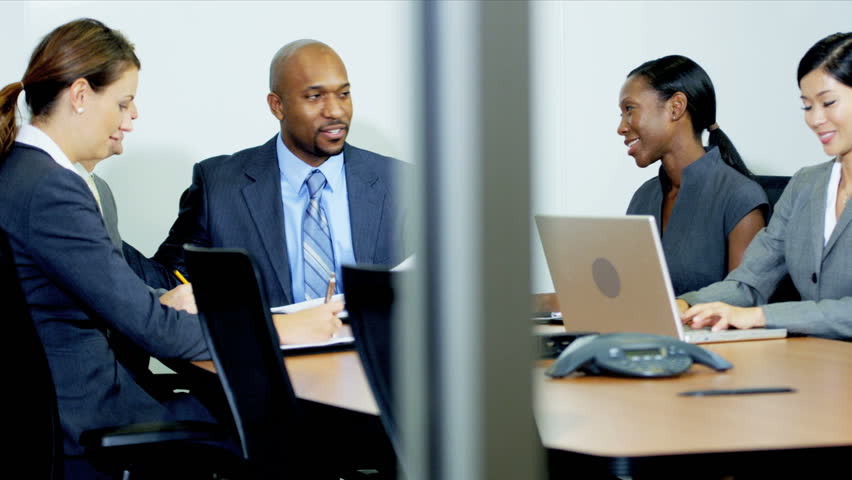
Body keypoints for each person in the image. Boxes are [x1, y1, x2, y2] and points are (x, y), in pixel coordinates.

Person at [0, 19, 342, 474]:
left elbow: (98, 287)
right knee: (280, 431)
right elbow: (151, 329)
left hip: (74, 409)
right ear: (80, 96)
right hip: (87, 423)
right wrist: (287, 329)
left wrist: (162, 298)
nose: (134, 115)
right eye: (123, 102)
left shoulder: (23, 173)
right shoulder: (52, 191)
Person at [153, 39, 409, 308]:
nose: (335, 111)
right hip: (267, 348)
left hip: (376, 349)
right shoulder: (218, 185)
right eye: (315, 96)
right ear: (277, 106)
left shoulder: (401, 183)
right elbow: (168, 280)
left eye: (343, 94)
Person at [680, 32, 852, 341]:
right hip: (815, 364)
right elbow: (749, 282)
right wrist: (686, 305)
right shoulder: (806, 185)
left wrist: (759, 317)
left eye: (827, 102)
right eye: (807, 106)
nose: (815, 119)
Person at [618, 55, 768, 296]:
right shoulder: (644, 197)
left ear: (675, 107)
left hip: (701, 333)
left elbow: (742, 299)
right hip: (639, 332)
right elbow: (625, 292)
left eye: (629, 110)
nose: (622, 127)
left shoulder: (739, 196)